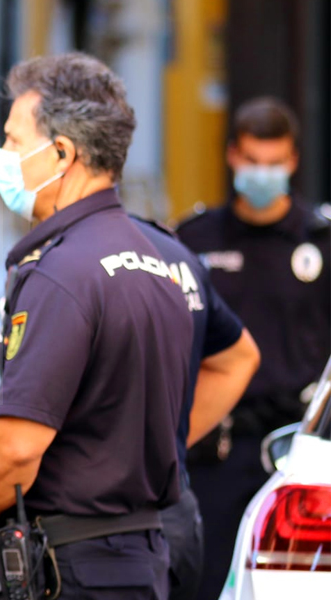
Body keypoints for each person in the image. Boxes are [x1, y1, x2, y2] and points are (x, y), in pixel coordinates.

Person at [0, 53, 193, 599]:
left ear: (62, 153)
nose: (5, 157)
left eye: (15, 142)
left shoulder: (62, 273)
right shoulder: (158, 260)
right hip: (142, 557)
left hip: (74, 567)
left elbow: (17, 448)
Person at [176, 96, 331, 600]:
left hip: (299, 454)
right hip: (216, 452)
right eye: (252, 161)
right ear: (232, 156)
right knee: (200, 583)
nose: (262, 173)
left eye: (273, 163)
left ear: (292, 162)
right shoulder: (194, 241)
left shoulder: (321, 243)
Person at [132, 216, 260, 600]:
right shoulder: (183, 245)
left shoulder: (74, 258)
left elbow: (239, 357)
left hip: (118, 523)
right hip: (180, 490)